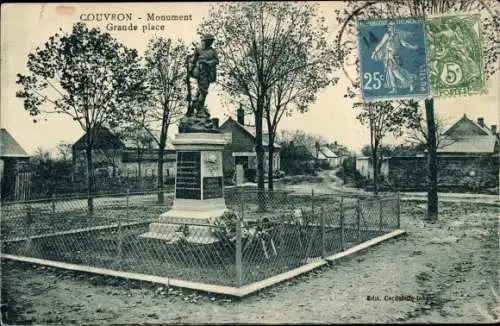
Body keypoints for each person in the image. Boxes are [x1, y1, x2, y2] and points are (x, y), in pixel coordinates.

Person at [371, 22, 418, 94]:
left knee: (397, 73)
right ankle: (395, 88)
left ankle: (410, 84)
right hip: (387, 57)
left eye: (391, 26)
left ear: (394, 27)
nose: (390, 28)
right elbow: (381, 44)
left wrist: (413, 47)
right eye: (389, 27)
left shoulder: (398, 35)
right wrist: (374, 52)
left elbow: (404, 44)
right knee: (391, 73)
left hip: (393, 57)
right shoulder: (387, 35)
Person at [186, 34, 219, 116]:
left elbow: (216, 60)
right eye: (209, 40)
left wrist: (208, 63)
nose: (210, 42)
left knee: (201, 91)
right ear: (206, 41)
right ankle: (199, 109)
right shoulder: (199, 49)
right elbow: (193, 60)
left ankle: (194, 107)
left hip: (208, 72)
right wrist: (190, 70)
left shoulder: (213, 51)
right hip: (199, 71)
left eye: (211, 41)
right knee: (203, 91)